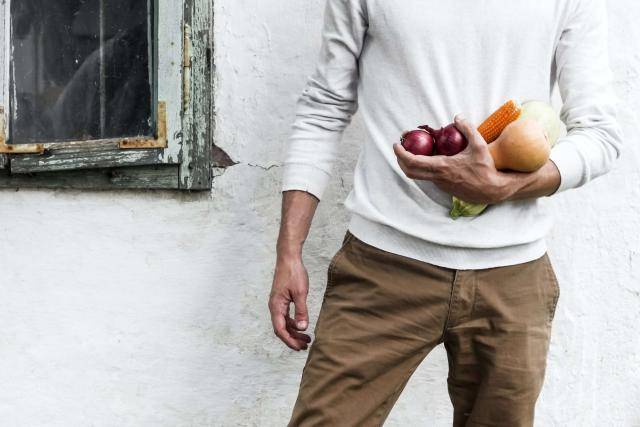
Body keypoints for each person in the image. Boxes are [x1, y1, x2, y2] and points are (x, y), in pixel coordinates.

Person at [268, 0, 623, 425]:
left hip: (512, 280)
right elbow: (323, 109)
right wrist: (289, 252)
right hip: (382, 268)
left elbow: (599, 133)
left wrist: (504, 187)